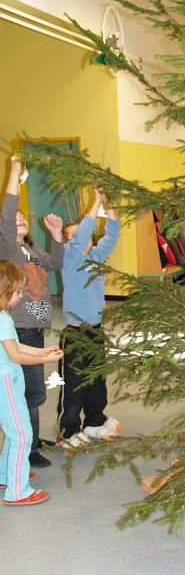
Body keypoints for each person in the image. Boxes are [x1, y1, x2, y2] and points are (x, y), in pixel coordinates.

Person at [0, 154, 64, 469]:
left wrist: (56, 236)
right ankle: (28, 448)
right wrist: (14, 171)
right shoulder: (10, 251)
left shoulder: (32, 251)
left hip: (35, 329)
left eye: (23, 216)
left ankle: (32, 439)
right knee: (32, 391)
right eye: (15, 218)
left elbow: (57, 262)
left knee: (33, 390)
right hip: (21, 329)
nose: (20, 218)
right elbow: (7, 213)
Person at [57, 189, 121, 448]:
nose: (85, 240)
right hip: (75, 335)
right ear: (68, 245)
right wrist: (95, 202)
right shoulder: (70, 260)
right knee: (74, 387)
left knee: (96, 383)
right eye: (76, 238)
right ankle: (69, 431)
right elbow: (83, 234)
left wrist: (109, 206)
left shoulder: (95, 257)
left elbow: (111, 237)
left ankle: (94, 421)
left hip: (95, 331)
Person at [0, 260, 62, 505]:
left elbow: (14, 346)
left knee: (15, 431)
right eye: (17, 292)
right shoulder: (3, 318)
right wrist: (43, 359)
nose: (20, 296)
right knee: (22, 435)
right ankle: (17, 491)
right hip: (6, 382)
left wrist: (42, 351)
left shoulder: (3, 315)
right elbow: (15, 356)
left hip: (9, 380)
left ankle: (6, 475)